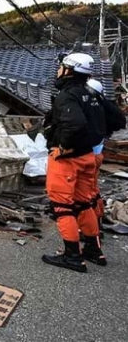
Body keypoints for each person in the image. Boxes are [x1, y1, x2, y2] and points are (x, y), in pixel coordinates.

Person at [42, 53, 106, 272]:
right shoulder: (91, 94)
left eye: (61, 67)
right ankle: (93, 249)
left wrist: (63, 146)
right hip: (88, 156)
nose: (58, 71)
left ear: (69, 70)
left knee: (62, 206)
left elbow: (75, 123)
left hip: (68, 160)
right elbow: (112, 120)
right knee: (84, 203)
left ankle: (72, 257)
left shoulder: (67, 96)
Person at [86, 78, 126, 237]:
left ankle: (90, 229)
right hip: (98, 153)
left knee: (84, 192)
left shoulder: (90, 107)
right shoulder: (106, 105)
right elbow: (120, 122)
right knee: (93, 189)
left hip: (87, 154)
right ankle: (97, 218)